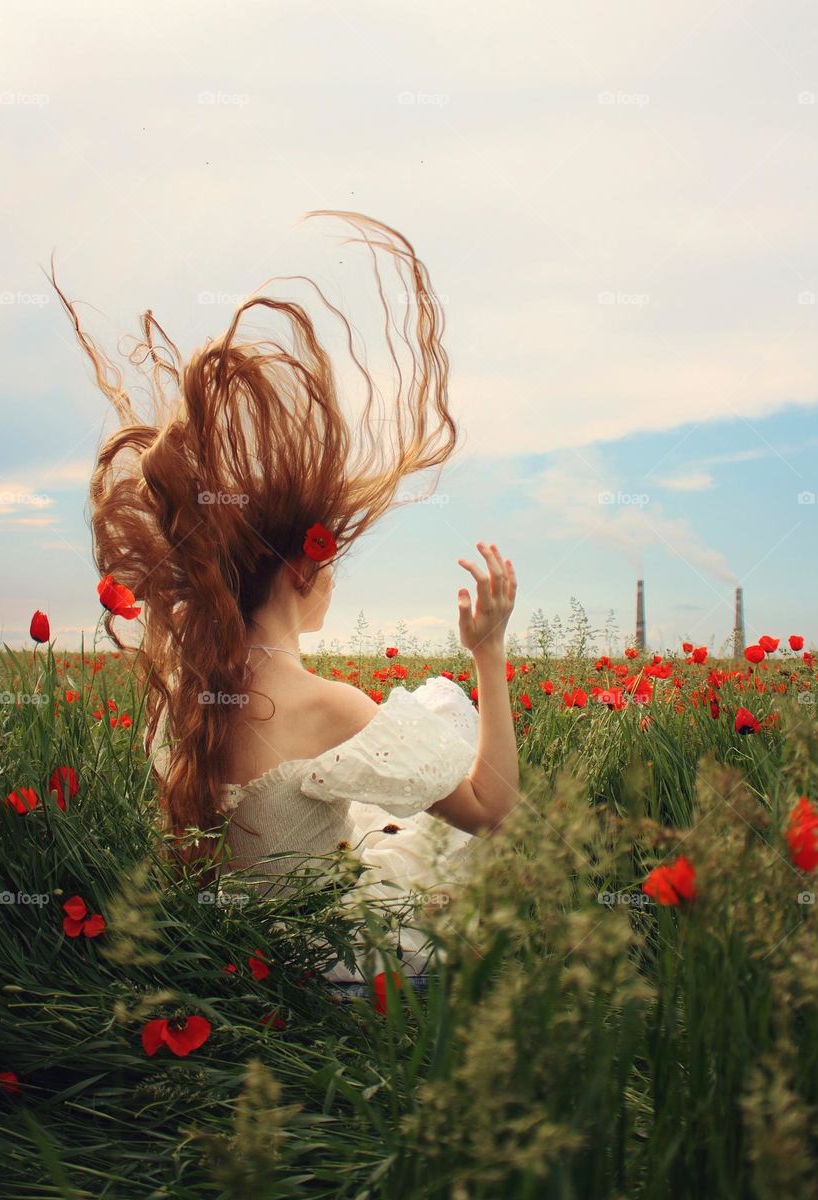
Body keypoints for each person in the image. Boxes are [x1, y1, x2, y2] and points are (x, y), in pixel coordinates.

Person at [48, 209, 521, 983]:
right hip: (335, 973)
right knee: (443, 754)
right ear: (303, 572)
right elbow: (492, 810)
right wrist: (489, 654)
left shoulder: (192, 698)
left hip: (247, 964)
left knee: (377, 800)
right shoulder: (326, 706)